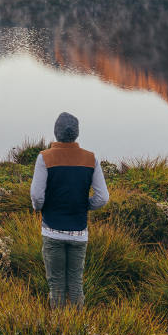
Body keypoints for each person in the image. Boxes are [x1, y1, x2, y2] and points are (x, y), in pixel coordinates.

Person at [29, 111, 109, 308]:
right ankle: (77, 331)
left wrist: (39, 208)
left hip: (52, 231)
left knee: (56, 285)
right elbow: (103, 198)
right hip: (79, 233)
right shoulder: (91, 159)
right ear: (77, 133)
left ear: (56, 132)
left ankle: (58, 331)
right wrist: (85, 205)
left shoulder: (44, 158)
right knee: (75, 285)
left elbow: (37, 196)